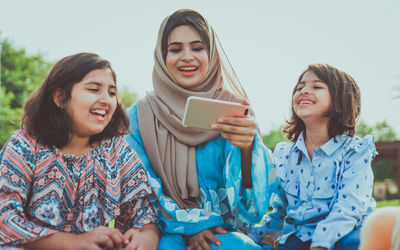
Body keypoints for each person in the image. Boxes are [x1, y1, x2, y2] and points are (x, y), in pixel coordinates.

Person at [124, 9, 277, 250]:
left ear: (211, 54)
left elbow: (250, 212)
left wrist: (248, 151)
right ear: (162, 57)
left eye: (197, 48)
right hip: (161, 232)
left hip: (224, 234)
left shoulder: (234, 111)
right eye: (175, 49)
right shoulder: (138, 117)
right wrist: (194, 226)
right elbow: (141, 187)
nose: (187, 56)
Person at [0, 52, 160, 249]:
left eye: (111, 92)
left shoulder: (117, 151)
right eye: (93, 89)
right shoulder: (25, 145)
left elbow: (144, 215)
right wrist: (74, 243)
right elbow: (4, 218)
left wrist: (146, 236)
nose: (106, 100)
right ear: (60, 98)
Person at [248, 64, 376, 250]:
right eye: (300, 88)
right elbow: (281, 209)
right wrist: (260, 236)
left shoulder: (355, 150)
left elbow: (350, 206)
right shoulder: (284, 155)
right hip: (301, 234)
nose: (304, 91)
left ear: (340, 104)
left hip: (348, 231)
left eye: (316, 86)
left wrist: (321, 245)